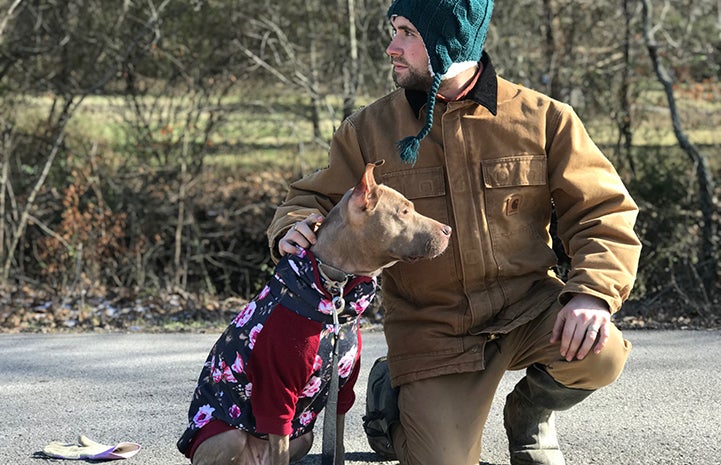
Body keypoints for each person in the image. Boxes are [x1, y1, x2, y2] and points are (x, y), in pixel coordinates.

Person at [267, 0, 642, 464]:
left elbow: (602, 211)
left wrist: (592, 294)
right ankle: (395, 402)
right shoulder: (369, 130)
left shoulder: (545, 118)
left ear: (449, 40)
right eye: (394, 31)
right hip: (434, 329)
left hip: (530, 308)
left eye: (407, 33)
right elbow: (312, 199)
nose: (391, 47)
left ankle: (530, 415)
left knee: (600, 351)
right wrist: (292, 227)